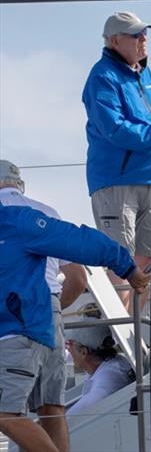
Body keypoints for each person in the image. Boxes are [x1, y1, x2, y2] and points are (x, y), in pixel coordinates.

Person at [0, 204, 149, 452]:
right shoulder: (19, 221)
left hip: (19, 333)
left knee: (4, 413)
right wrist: (127, 267)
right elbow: (76, 240)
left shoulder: (15, 222)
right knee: (50, 409)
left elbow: (77, 240)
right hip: (44, 329)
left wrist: (127, 266)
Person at [81, 10, 151, 309]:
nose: (144, 39)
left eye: (145, 33)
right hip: (116, 182)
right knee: (121, 261)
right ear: (115, 41)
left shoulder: (142, 73)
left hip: (150, 179)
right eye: (136, 35)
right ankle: (123, 340)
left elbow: (146, 124)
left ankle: (142, 336)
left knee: (146, 257)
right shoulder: (102, 77)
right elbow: (116, 130)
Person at [0, 160, 89, 452]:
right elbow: (77, 277)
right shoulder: (48, 213)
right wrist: (54, 312)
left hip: (16, 316)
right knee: (52, 408)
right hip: (50, 315)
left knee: (6, 413)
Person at [66, 323, 134, 416]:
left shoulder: (109, 378)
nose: (68, 349)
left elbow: (73, 415)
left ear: (83, 352)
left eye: (70, 344)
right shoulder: (113, 363)